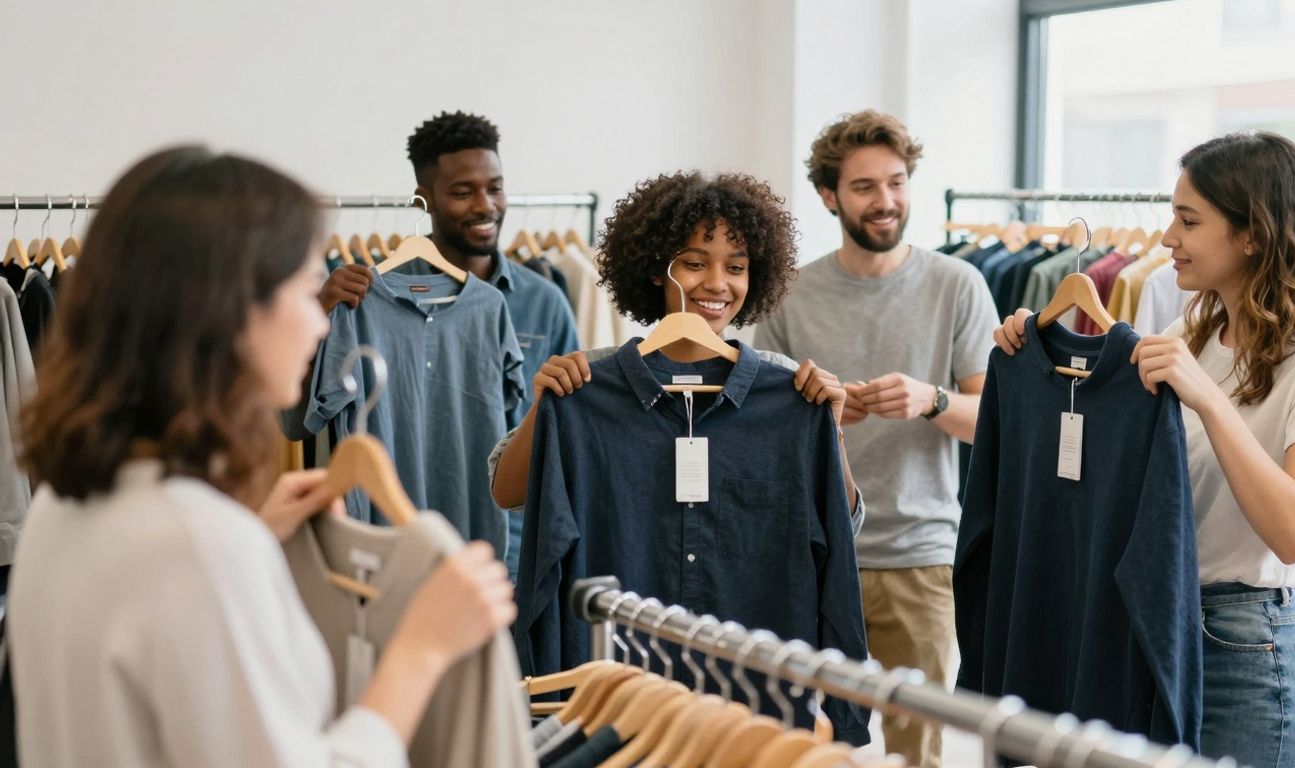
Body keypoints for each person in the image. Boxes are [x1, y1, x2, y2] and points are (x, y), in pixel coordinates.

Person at [7, 146, 517, 767]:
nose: (320, 325)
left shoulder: (65, 507)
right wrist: (423, 649)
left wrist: (248, 535)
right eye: (305, 292)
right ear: (231, 312)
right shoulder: (201, 545)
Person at [993, 131, 1295, 767]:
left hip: (1246, 656)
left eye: (1188, 220)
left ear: (1253, 233)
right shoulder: (1189, 334)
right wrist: (1042, 361)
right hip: (1152, 623)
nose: (1167, 238)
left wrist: (1210, 402)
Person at [753, 110, 998, 767]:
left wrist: (932, 399)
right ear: (830, 196)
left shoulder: (959, 285)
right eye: (864, 187)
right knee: (804, 743)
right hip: (811, 554)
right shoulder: (786, 296)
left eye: (896, 182)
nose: (886, 201)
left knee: (920, 749)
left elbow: (998, 421)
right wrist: (816, 420)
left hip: (920, 558)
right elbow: (756, 433)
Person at [487, 170, 862, 532]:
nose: (717, 283)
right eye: (695, 263)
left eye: (735, 267)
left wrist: (832, 432)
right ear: (656, 269)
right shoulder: (589, 377)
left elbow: (844, 523)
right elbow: (506, 494)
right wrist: (544, 407)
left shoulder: (787, 385)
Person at [315, 110, 579, 573]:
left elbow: (570, 436)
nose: (485, 205)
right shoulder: (362, 298)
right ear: (425, 200)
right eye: (463, 192)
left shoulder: (545, 302)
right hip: (388, 554)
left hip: (509, 554)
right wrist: (319, 322)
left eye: (495, 187)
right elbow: (299, 425)